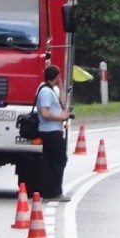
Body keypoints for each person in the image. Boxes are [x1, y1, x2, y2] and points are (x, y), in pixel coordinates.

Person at [36, 65, 71, 202]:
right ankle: (55, 191)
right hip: (51, 131)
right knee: (59, 160)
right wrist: (61, 117)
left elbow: (62, 104)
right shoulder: (45, 92)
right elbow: (45, 113)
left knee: (49, 161)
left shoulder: (51, 91)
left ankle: (47, 192)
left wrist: (61, 87)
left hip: (52, 130)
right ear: (56, 76)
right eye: (59, 76)